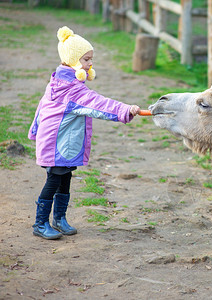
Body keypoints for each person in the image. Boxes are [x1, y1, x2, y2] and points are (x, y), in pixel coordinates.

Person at [28, 26, 141, 240]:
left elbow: (42, 108)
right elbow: (98, 104)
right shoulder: (71, 89)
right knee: (54, 179)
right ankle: (40, 222)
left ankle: (59, 218)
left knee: (65, 177)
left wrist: (35, 131)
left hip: (58, 142)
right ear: (72, 60)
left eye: (90, 59)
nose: (90, 64)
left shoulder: (59, 80)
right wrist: (125, 110)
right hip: (56, 144)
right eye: (86, 59)